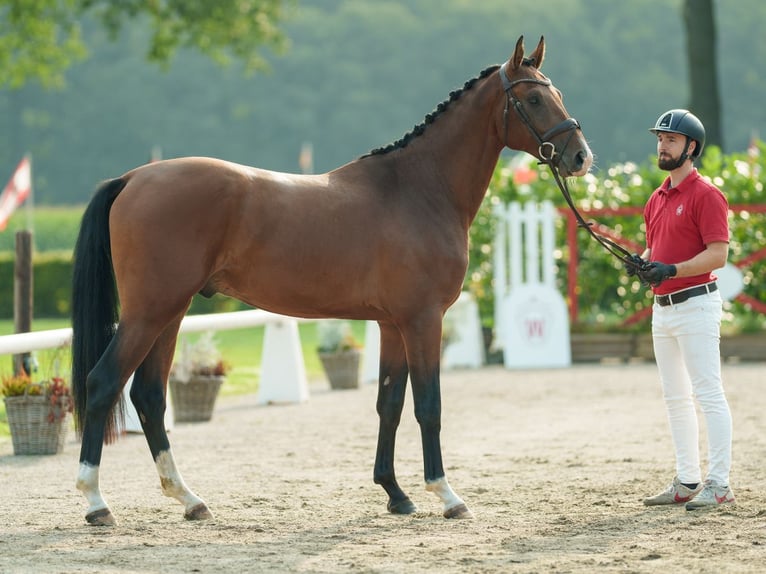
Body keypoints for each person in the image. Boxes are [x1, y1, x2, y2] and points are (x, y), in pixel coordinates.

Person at [629, 109, 734, 510]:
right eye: (660, 138)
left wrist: (670, 269)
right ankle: (687, 479)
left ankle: (719, 483)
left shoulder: (707, 195)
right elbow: (657, 248)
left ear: (691, 147)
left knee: (708, 394)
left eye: (670, 140)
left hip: (696, 306)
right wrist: (642, 261)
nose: (662, 145)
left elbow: (718, 255)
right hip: (663, 308)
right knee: (675, 397)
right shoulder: (657, 198)